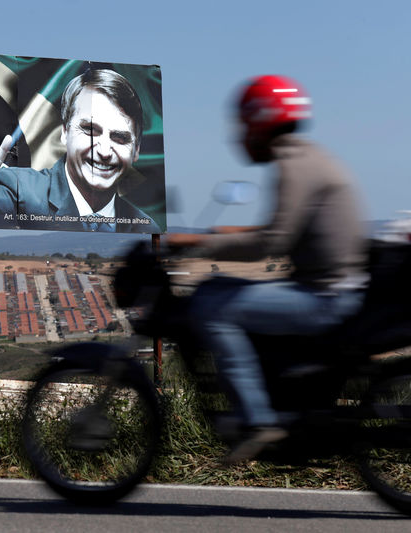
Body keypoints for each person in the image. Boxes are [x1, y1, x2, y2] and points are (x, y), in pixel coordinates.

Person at [168, 75, 368, 463]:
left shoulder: (294, 165)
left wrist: (199, 242)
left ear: (260, 122)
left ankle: (257, 420)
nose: (240, 137)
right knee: (217, 287)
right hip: (332, 289)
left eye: (244, 126)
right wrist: (228, 232)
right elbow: (282, 230)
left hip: (327, 297)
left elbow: (272, 242)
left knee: (214, 305)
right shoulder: (306, 157)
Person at [0, 69, 161, 233]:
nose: (105, 151)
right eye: (89, 131)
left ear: (136, 150)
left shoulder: (145, 226)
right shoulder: (16, 190)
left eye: (120, 138)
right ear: (64, 133)